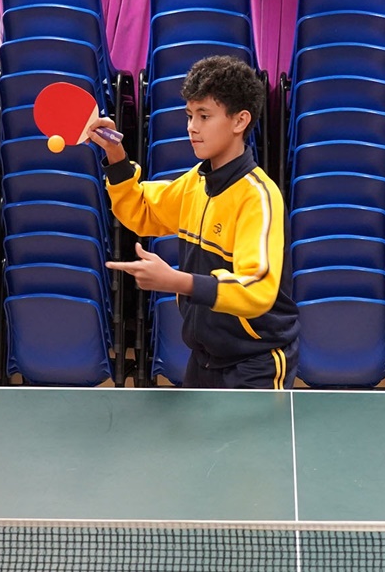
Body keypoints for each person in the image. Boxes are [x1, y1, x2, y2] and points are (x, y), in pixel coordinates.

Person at [84, 55, 299, 389]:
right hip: (204, 356)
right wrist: (115, 153)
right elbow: (141, 210)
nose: (192, 127)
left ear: (240, 121)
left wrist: (177, 281)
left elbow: (257, 289)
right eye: (189, 115)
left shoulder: (258, 197)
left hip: (256, 363)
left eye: (204, 115)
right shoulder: (195, 183)